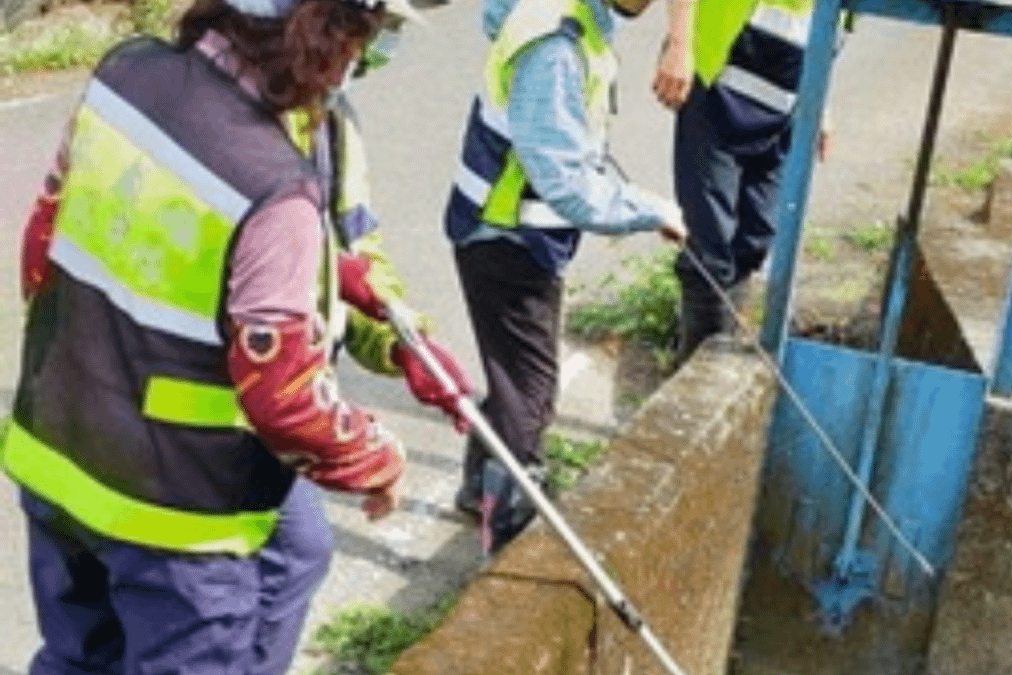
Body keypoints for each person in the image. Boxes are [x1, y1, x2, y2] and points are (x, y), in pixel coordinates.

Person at [5, 0, 469, 672]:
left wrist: (349, 298)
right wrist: (378, 457)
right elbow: (286, 399)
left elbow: (45, 245)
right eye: (369, 31)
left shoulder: (124, 75)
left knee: (78, 658)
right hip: (176, 510)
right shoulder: (274, 183)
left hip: (55, 450)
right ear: (320, 29)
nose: (364, 55)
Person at [443, 0, 687, 552]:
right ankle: (502, 533)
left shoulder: (572, 20)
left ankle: (474, 489)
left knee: (512, 376)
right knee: (530, 393)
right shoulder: (555, 45)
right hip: (507, 237)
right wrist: (652, 210)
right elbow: (566, 184)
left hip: (507, 232)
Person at [654, 0, 832, 363]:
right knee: (710, 247)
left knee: (756, 238)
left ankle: (717, 351)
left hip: (783, 108)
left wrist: (822, 103)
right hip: (715, 82)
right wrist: (679, 45)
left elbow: (830, 29)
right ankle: (695, 372)